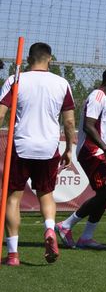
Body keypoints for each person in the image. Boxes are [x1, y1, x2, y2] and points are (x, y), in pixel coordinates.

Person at [0, 42, 75, 266]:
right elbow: (69, 121)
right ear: (49, 58)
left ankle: (13, 254)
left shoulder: (17, 79)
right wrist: (69, 148)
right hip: (48, 147)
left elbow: (1, 113)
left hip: (21, 146)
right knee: (46, 194)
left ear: (30, 58)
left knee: (13, 197)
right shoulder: (62, 83)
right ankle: (50, 229)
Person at [57, 67, 106, 250]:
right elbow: (89, 127)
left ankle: (86, 238)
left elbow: (102, 132)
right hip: (91, 152)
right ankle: (66, 225)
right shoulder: (97, 97)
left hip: (99, 151)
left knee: (105, 194)